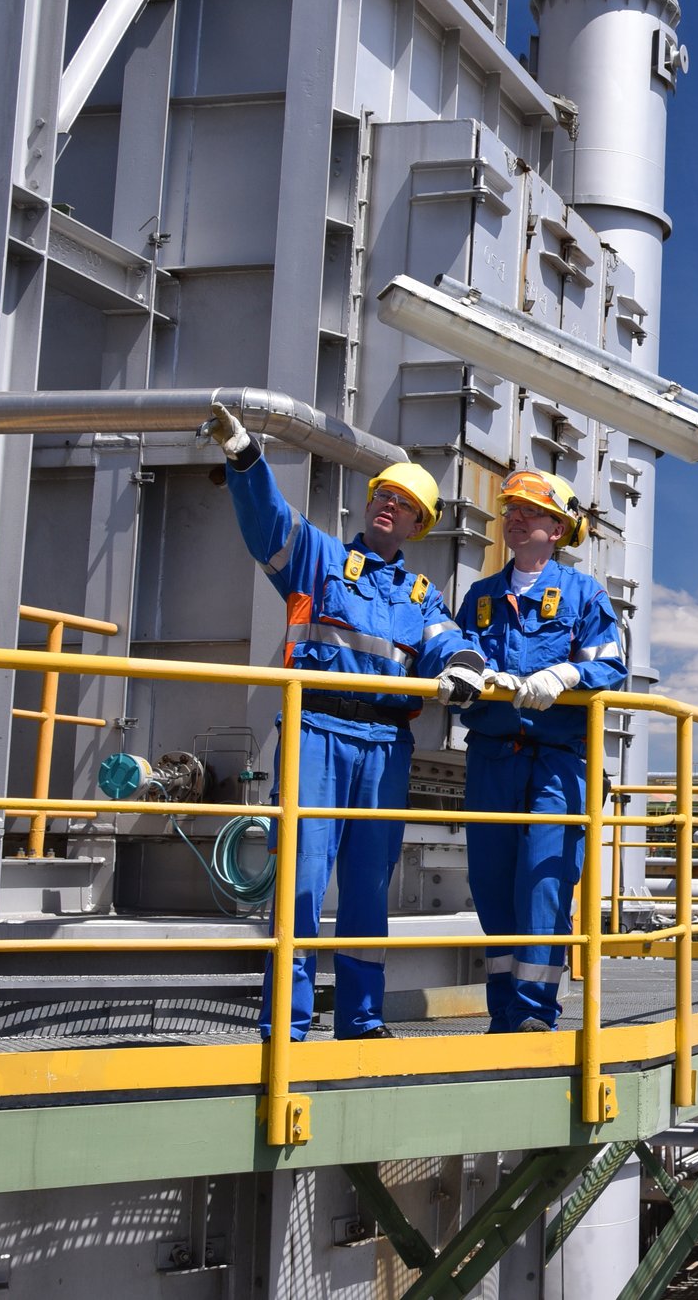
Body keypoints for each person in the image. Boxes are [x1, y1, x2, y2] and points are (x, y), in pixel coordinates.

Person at [203, 403, 487, 1040]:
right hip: (317, 736)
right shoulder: (320, 561)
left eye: (403, 503)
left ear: (418, 524)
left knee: (367, 889)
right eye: (382, 495)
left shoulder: (420, 598)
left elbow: (449, 642)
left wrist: (467, 665)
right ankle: (290, 1023)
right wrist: (246, 456)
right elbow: (268, 524)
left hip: (385, 748)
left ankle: (360, 1018)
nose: (389, 505)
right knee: (302, 885)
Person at [456, 470, 628, 1032]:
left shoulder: (583, 594)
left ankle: (533, 1013)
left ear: (557, 528)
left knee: (543, 882)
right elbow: (461, 656)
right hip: (491, 756)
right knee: (490, 880)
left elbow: (611, 666)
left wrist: (565, 673)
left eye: (529, 511)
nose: (515, 518)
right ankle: (503, 1010)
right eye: (511, 511)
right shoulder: (481, 598)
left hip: (559, 761)